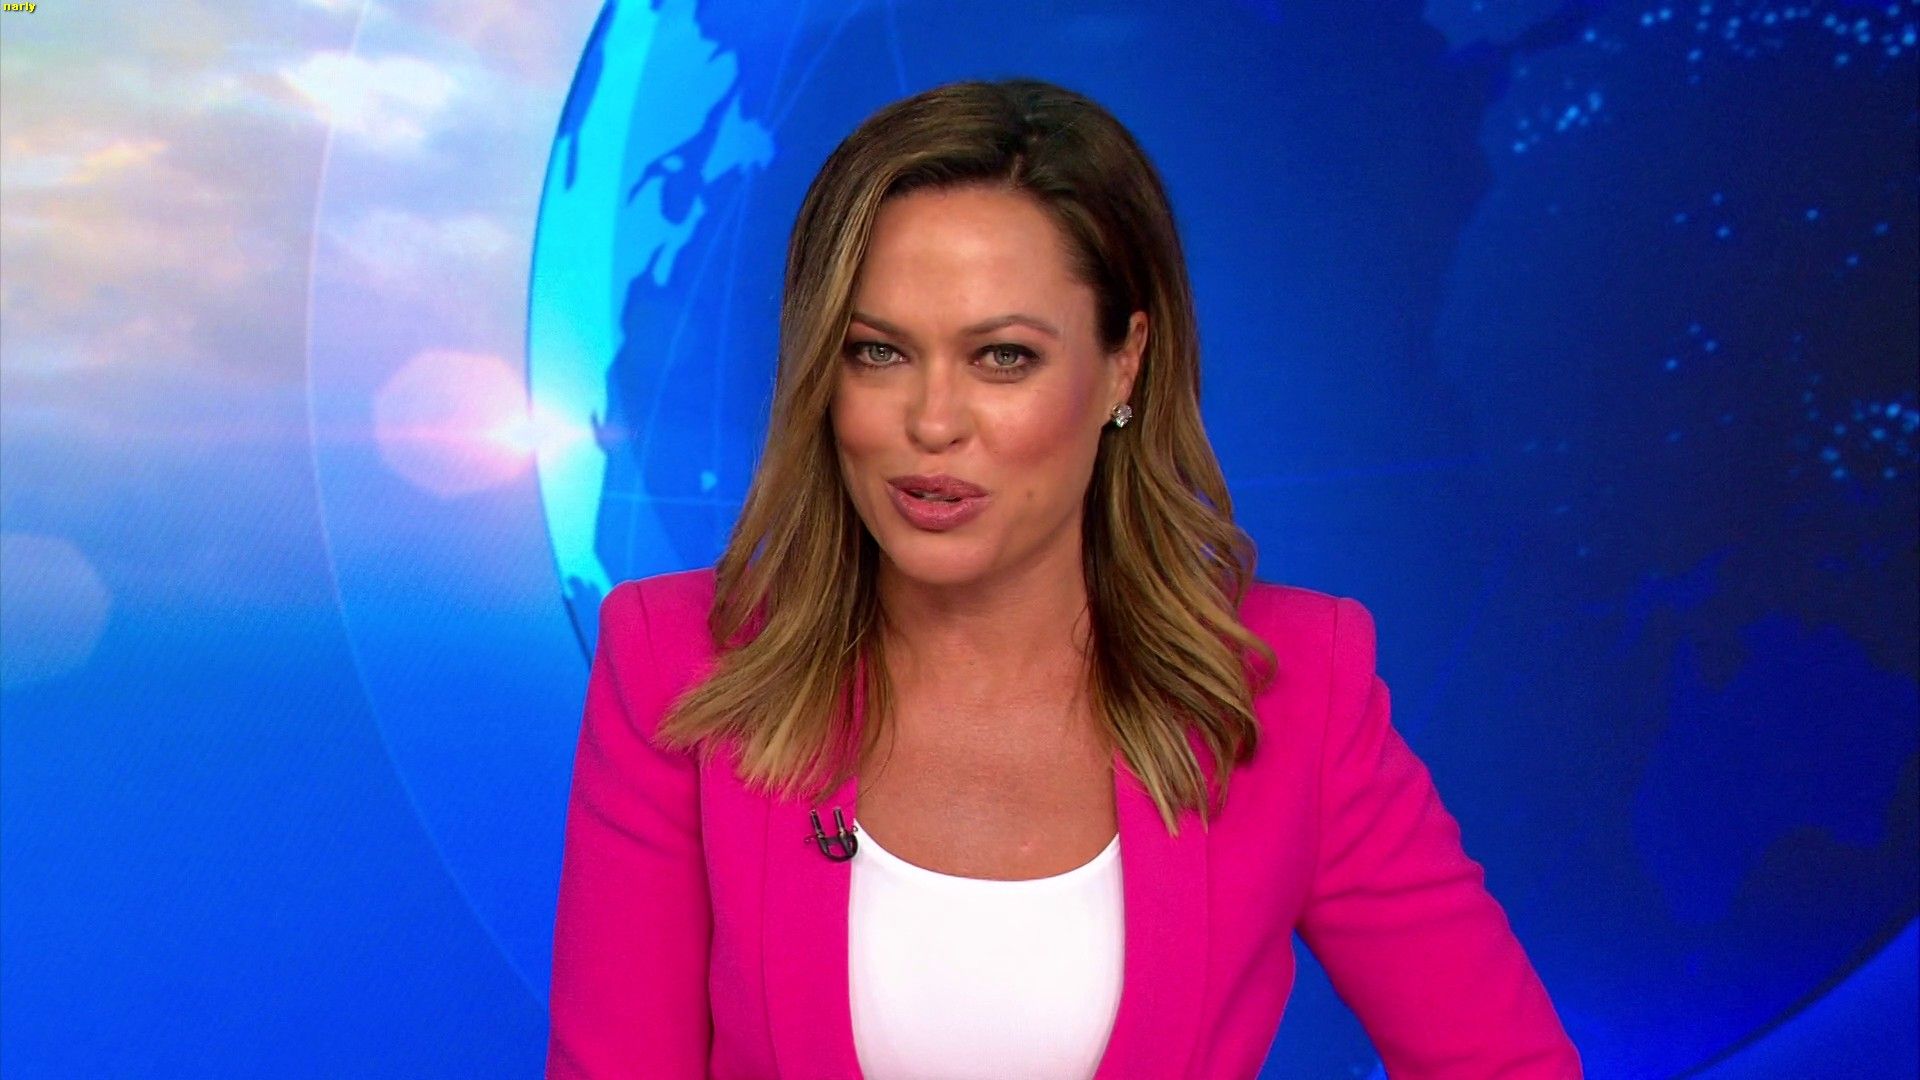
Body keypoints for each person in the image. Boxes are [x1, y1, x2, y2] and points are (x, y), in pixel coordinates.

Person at [546, 77, 1581, 1080]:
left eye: (1002, 357)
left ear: (1124, 363)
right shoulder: (676, 664)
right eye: (878, 352)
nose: (932, 423)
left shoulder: (1296, 685)